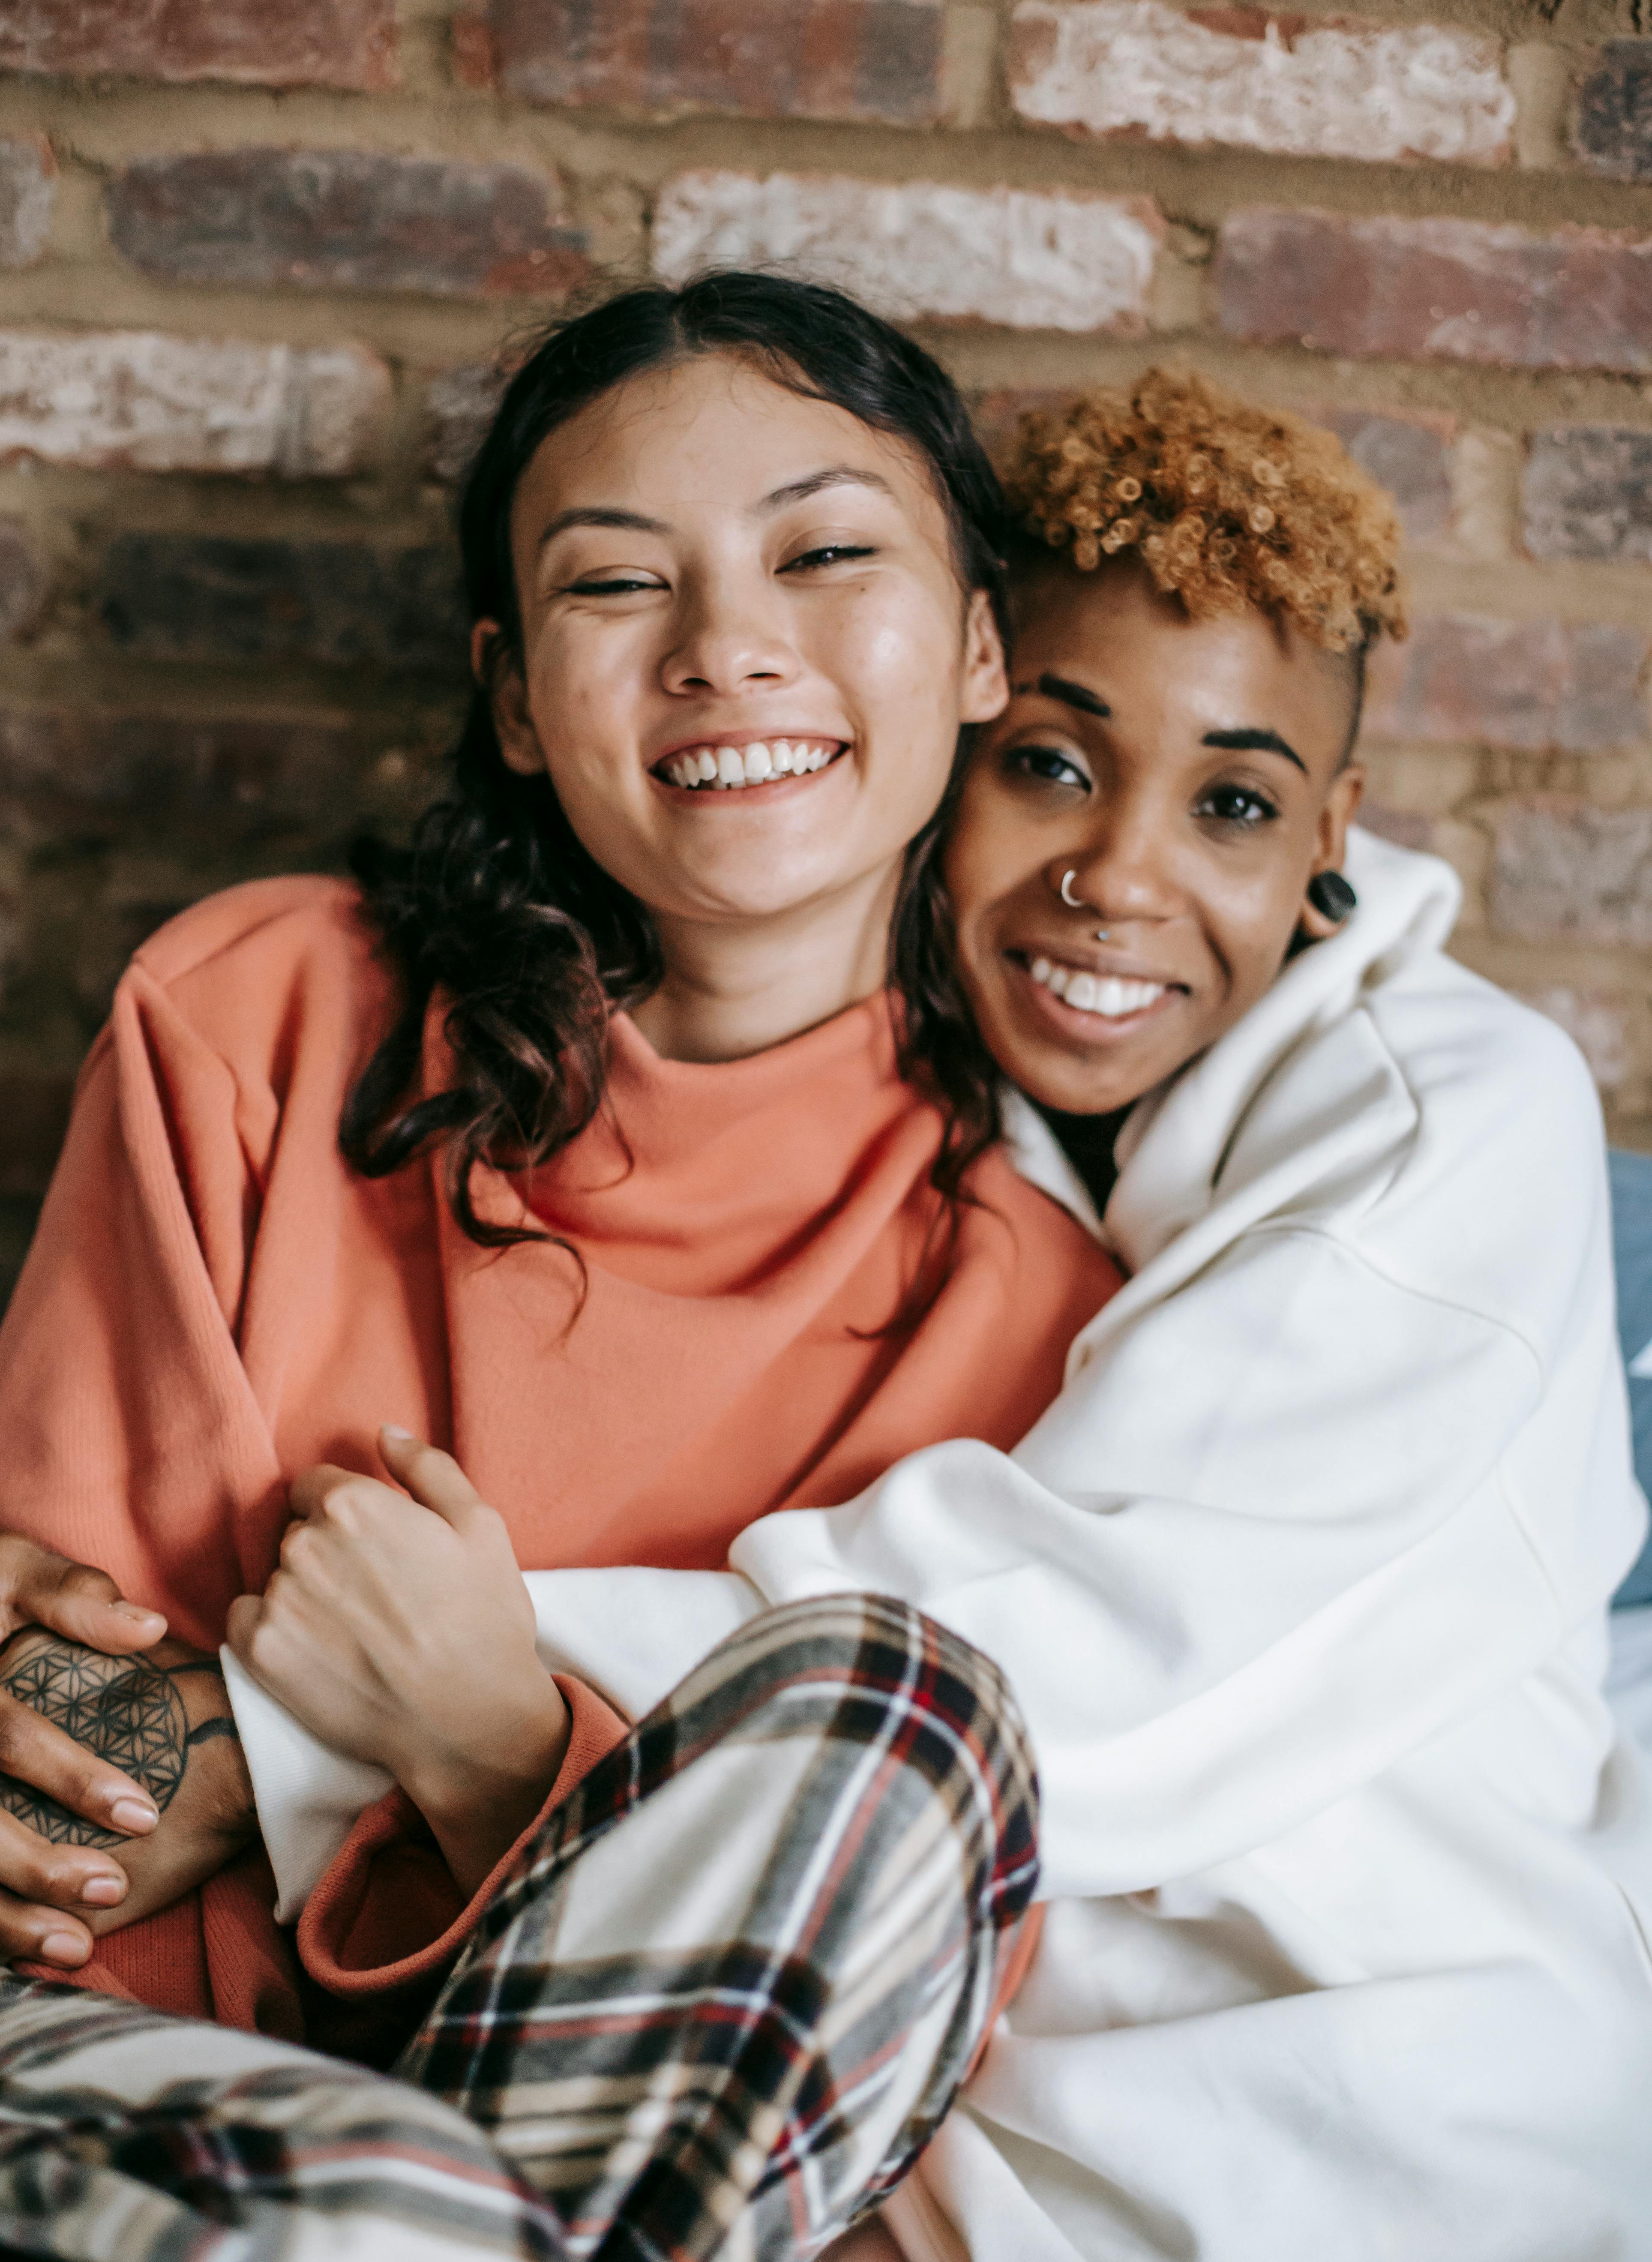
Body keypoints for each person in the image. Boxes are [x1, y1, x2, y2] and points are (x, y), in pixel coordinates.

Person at [220, 371, 1652, 2258]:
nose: (1119, 876)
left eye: (1232, 801)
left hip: (1344, 2119)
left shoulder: (1447, 1118)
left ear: (1334, 834)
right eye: (1053, 763)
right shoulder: (969, 1125)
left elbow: (1074, 1664)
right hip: (944, 2086)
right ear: (959, 716)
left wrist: (307, 1721)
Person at [0, 272, 1117, 2070]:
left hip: (593, 2131)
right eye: (615, 580)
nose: (724, 650)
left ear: (983, 648)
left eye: (822, 556)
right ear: (514, 697)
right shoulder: (259, 1019)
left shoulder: (1048, 1312)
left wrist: (484, 1748)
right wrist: (516, 1788)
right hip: (107, 2056)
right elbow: (63, 1755)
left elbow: (870, 1956)